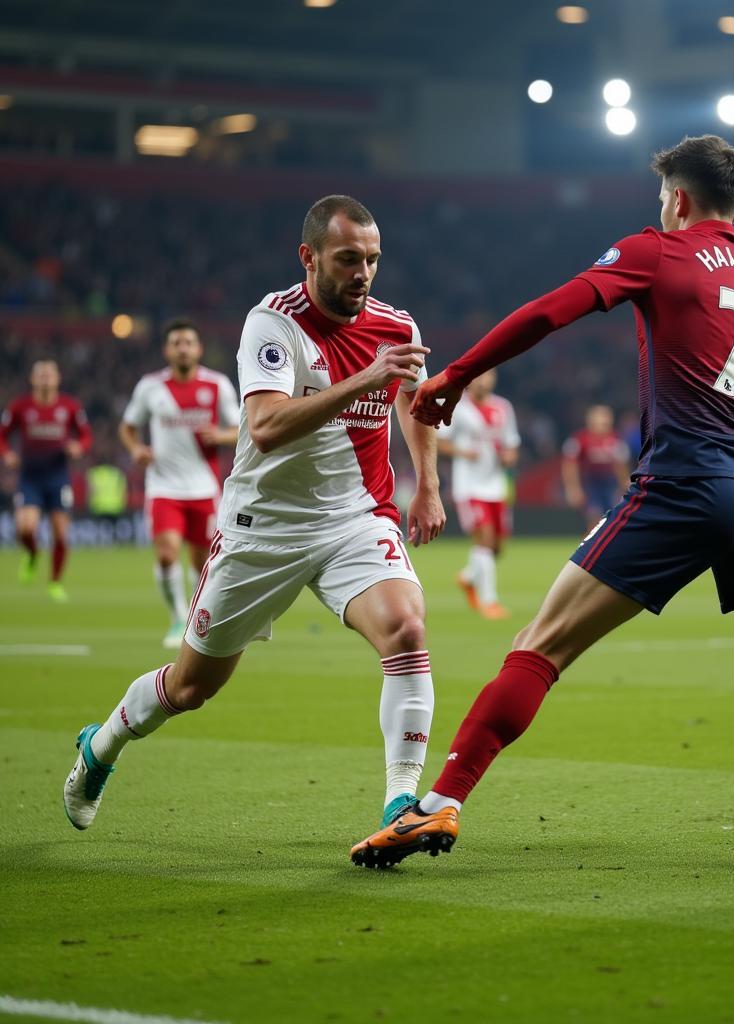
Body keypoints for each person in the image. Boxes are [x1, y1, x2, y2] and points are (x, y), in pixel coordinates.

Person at [350, 134, 734, 868]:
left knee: (540, 647)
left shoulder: (658, 251)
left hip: (687, 485)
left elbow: (549, 311)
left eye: (662, 196)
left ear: (680, 198)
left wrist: (460, 374)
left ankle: (436, 807)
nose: (658, 207)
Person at [64, 194, 446, 835]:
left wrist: (428, 485)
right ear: (310, 257)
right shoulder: (273, 323)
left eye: (373, 261)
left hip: (355, 517)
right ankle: (100, 746)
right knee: (190, 689)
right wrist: (364, 379)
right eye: (348, 258)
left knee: (407, 629)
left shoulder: (395, 326)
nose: (363, 273)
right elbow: (266, 427)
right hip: (262, 528)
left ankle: (401, 806)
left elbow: (413, 398)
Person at [120, 319, 241, 648]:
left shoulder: (216, 385)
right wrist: (136, 450)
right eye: (177, 343)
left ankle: (196, 618)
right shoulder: (151, 387)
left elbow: (243, 427)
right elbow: (128, 426)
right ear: (167, 350)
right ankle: (177, 617)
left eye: (188, 342)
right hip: (163, 488)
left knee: (202, 562)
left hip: (203, 489)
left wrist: (221, 435)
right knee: (166, 553)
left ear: (198, 349)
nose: (183, 348)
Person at [0, 359, 92, 602]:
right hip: (29, 478)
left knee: (61, 534)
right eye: (40, 374)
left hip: (58, 477)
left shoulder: (69, 407)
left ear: (57, 379)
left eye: (49, 374)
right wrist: (7, 453)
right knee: (25, 529)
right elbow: (3, 435)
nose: (45, 378)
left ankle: (55, 582)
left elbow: (85, 436)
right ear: (32, 379)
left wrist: (78, 447)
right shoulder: (20, 407)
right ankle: (32, 555)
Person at [437, 369, 520, 619]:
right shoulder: (458, 406)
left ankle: (468, 577)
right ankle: (489, 601)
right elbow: (439, 440)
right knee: (484, 538)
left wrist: (509, 457)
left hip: (496, 484)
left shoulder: (503, 407)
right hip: (469, 486)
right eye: (480, 375)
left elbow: (512, 443)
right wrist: (463, 452)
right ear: (470, 380)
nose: (484, 380)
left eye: (489, 375)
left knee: (497, 548)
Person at [561, 404, 631, 530]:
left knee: (614, 518)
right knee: (594, 519)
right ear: (591, 420)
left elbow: (620, 465)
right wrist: (573, 488)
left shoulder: (616, 439)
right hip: (590, 485)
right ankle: (590, 548)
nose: (605, 422)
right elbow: (570, 465)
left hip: (610, 485)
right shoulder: (579, 439)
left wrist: (624, 484)